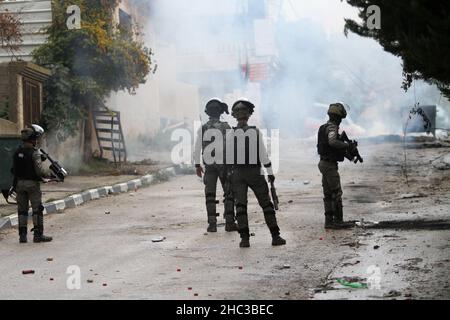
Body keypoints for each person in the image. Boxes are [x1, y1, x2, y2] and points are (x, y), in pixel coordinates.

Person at [227, 99, 286, 248]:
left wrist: (229, 176)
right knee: (266, 204)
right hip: (254, 172)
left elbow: (226, 157)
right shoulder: (254, 132)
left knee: (240, 206)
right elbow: (262, 154)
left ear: (234, 115)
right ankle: (275, 236)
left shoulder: (230, 134)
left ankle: (244, 239)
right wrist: (270, 172)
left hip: (237, 173)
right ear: (248, 115)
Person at [194, 98, 238, 233]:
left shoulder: (203, 128)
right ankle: (229, 222)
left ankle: (212, 224)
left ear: (208, 112)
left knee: (210, 194)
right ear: (220, 113)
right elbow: (232, 146)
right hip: (223, 165)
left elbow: (197, 147)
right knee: (229, 193)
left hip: (209, 166)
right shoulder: (225, 127)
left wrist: (197, 165)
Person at [12, 124, 53, 243]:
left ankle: (23, 236)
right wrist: (49, 174)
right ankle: (38, 235)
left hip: (19, 185)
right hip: (32, 185)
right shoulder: (35, 153)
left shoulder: (17, 151)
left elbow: (14, 170)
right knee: (37, 210)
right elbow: (39, 171)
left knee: (22, 211)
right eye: (36, 138)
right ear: (33, 139)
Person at [317, 103, 354, 229]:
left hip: (323, 163)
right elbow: (332, 142)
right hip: (329, 165)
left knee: (328, 194)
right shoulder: (332, 128)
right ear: (338, 117)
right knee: (336, 192)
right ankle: (338, 220)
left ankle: (329, 221)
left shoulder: (324, 127)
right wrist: (347, 145)